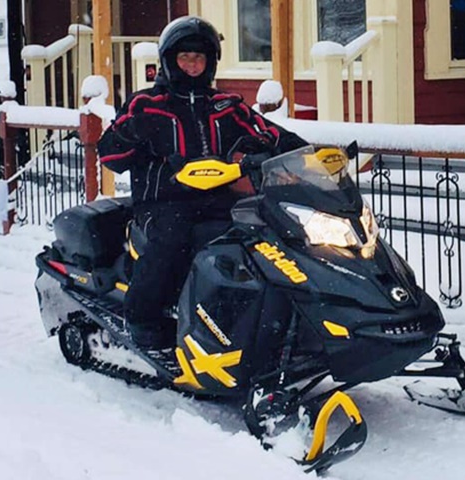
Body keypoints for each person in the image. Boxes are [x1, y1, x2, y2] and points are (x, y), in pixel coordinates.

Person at [97, 16, 308, 352]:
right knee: (173, 239)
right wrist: (132, 132)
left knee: (263, 237)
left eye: (199, 58)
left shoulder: (224, 106)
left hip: (217, 198)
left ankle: (254, 320)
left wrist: (308, 153)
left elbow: (267, 132)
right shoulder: (147, 105)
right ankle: (142, 318)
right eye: (185, 57)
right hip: (162, 203)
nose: (192, 65)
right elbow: (110, 156)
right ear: (169, 61)